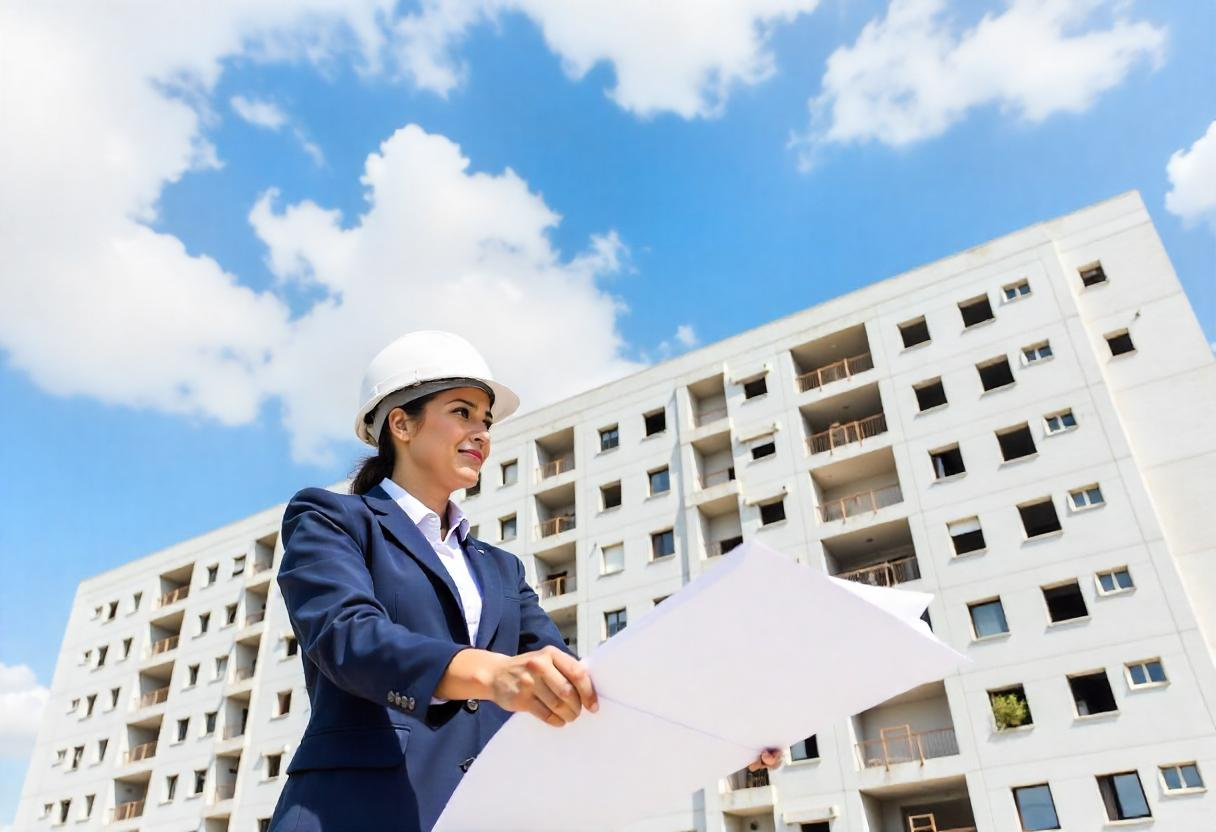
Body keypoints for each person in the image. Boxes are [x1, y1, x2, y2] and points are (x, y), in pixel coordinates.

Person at [269, 330, 778, 831]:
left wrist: (716, 733)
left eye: (485, 421)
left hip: (483, 812)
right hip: (351, 811)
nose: (482, 434)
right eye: (462, 412)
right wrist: (491, 674)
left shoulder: (500, 567)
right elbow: (346, 638)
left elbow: (577, 683)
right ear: (401, 424)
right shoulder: (330, 518)